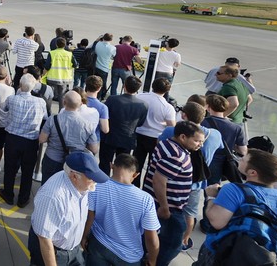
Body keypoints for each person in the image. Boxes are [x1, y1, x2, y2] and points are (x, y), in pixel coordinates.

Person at [197, 149, 277, 263]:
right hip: (260, 257)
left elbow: (217, 222)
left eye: (243, 159)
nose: (239, 159)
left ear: (252, 172)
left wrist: (211, 196)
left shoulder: (234, 190)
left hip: (224, 253)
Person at [29, 152, 109, 266]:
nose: (95, 182)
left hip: (72, 249)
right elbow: (44, 239)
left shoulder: (82, 185)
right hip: (53, 252)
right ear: (74, 176)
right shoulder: (53, 197)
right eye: (91, 178)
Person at [142, 121, 205, 266]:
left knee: (153, 237)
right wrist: (164, 207)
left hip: (157, 202)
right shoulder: (177, 156)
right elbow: (159, 181)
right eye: (196, 141)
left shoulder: (164, 143)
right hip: (170, 208)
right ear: (183, 137)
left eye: (201, 141)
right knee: (173, 245)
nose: (199, 145)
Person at [81, 154, 160, 266]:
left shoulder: (96, 187)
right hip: (129, 257)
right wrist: (152, 259)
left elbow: (89, 217)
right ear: (136, 175)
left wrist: (84, 237)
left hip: (99, 247)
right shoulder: (145, 199)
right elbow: (151, 237)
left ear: (112, 166)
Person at [0, 74, 47, 208]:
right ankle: (23, 198)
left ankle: (8, 194)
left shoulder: (12, 99)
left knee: (10, 168)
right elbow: (45, 117)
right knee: (27, 170)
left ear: (20, 85)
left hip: (13, 138)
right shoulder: (40, 102)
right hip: (31, 141)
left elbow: (4, 109)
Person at [39, 91, 99, 184]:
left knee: (47, 185)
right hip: (74, 164)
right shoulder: (87, 125)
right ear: (80, 105)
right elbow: (94, 149)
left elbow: (42, 139)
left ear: (64, 102)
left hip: (52, 159)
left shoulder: (53, 120)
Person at [99, 76, 148, 175]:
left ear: (124, 86)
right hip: (127, 139)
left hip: (110, 137)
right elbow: (140, 123)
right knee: (122, 166)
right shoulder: (143, 105)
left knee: (104, 164)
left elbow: (105, 117)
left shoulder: (112, 99)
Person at [133, 78, 176, 187]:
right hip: (155, 138)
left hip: (138, 133)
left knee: (136, 162)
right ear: (166, 91)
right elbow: (172, 127)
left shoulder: (140, 96)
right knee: (151, 165)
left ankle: (134, 184)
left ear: (153, 85)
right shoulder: (167, 107)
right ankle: (146, 186)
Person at [45, 37, 74, 106]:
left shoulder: (52, 53)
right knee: (61, 96)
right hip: (64, 78)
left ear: (56, 45)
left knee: (50, 95)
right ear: (65, 45)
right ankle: (61, 111)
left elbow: (47, 66)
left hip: (52, 78)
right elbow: (75, 64)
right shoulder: (69, 54)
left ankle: (48, 111)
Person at [92, 33, 116, 100]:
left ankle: (96, 96)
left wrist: (98, 39)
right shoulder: (112, 48)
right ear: (111, 39)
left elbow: (90, 46)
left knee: (95, 83)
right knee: (101, 84)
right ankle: (99, 97)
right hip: (104, 69)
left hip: (96, 67)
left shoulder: (97, 44)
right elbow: (114, 57)